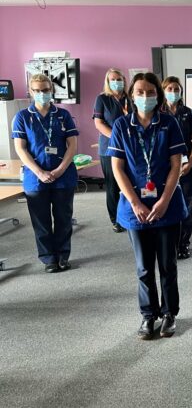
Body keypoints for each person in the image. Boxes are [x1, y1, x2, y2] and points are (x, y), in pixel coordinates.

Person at [107, 72, 188, 340]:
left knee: (167, 264)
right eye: (139, 92)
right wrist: (135, 202)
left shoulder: (169, 123)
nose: (145, 97)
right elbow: (117, 168)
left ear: (158, 95)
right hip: (134, 207)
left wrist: (164, 200)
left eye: (150, 92)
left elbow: (176, 164)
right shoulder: (121, 126)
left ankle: (169, 314)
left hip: (167, 205)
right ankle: (147, 315)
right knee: (143, 266)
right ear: (132, 95)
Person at [12, 73, 79, 272]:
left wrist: (59, 170)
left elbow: (72, 145)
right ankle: (49, 259)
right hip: (35, 178)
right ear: (31, 92)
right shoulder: (23, 117)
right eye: (38, 90)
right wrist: (40, 172)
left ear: (52, 91)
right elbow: (21, 149)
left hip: (63, 176)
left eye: (46, 90)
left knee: (63, 219)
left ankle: (62, 256)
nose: (42, 93)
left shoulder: (63, 115)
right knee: (41, 221)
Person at [161, 76, 192, 260]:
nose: (173, 92)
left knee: (188, 206)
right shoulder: (158, 113)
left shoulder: (187, 112)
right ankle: (169, 242)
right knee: (167, 205)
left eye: (176, 89)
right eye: (169, 88)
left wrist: (190, 162)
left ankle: (183, 243)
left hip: (188, 167)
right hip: (165, 169)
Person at [93, 68, 132, 233]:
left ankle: (130, 215)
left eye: (120, 78)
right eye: (113, 79)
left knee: (130, 182)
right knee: (113, 185)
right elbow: (99, 123)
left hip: (131, 147)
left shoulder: (130, 98)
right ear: (108, 82)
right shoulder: (102, 99)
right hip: (109, 148)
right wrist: (118, 139)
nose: (117, 82)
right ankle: (115, 220)